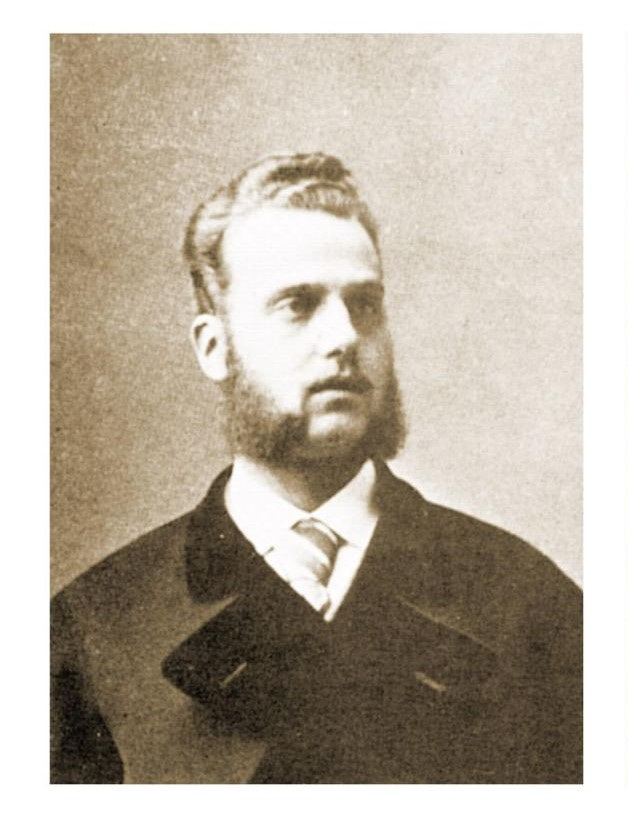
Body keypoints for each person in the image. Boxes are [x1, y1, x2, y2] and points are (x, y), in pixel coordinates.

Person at [51, 152, 582, 784]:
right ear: (215, 348)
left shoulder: (530, 606)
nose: (344, 336)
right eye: (299, 304)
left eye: (364, 304)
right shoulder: (96, 631)